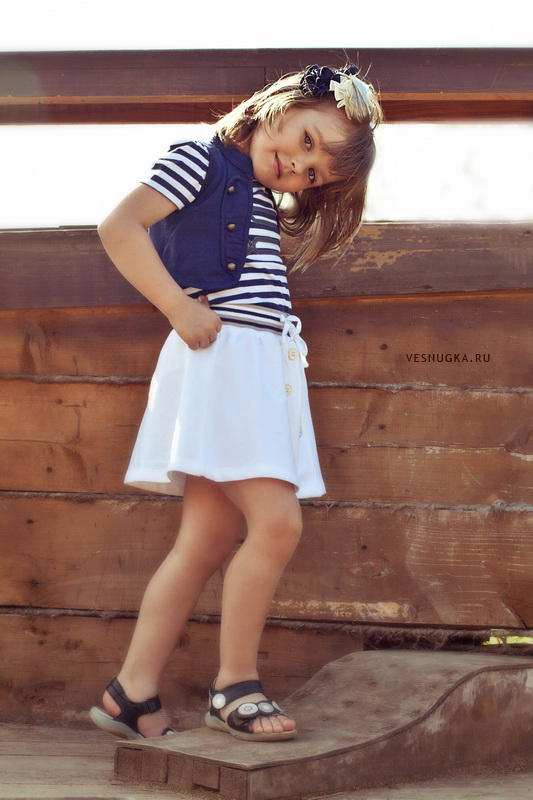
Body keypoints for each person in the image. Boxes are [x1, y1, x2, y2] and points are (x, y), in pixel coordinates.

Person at [89, 64, 383, 743]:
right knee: (277, 525)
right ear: (281, 104)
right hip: (223, 363)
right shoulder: (200, 158)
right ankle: (235, 685)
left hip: (253, 371)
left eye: (315, 174)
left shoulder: (253, 192)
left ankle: (130, 692)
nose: (299, 167)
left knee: (206, 540)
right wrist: (175, 307)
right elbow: (119, 226)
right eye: (306, 141)